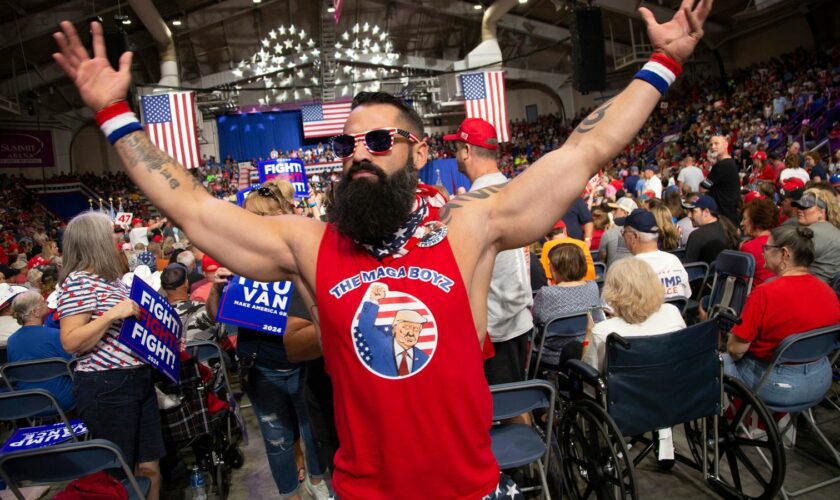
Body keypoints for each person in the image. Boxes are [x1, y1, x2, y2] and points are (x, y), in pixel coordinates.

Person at [51, 6, 712, 496]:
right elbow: (192, 206)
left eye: (376, 142)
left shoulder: (468, 227)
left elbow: (585, 149)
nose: (356, 157)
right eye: (346, 147)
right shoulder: (311, 245)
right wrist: (114, 114)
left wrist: (664, 64)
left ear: (418, 150)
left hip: (469, 488)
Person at [205, 180, 330, 500]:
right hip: (262, 365)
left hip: (305, 363)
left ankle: (317, 481)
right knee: (277, 439)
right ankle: (290, 494)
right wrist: (218, 287)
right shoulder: (237, 258)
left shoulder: (305, 253)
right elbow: (217, 315)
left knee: (313, 431)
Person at [55, 212, 164, 499]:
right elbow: (70, 341)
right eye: (113, 233)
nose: (120, 238)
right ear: (96, 240)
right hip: (107, 384)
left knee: (150, 463)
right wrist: (113, 314)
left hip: (137, 378)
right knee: (118, 474)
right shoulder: (78, 281)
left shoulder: (110, 280)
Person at [445, 118, 533, 387]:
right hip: (520, 319)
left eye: (457, 149)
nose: (455, 157)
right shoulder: (516, 190)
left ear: (467, 151)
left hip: (495, 328)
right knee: (519, 403)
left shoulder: (472, 204)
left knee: (506, 411)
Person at [581, 258, 686, 469]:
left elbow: (589, 376)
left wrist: (589, 333)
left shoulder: (605, 331)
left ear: (613, 292)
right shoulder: (673, 314)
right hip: (673, 390)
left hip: (627, 400)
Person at [725, 225, 840, 407]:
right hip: (820, 379)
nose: (762, 253)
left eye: (767, 248)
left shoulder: (765, 293)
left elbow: (736, 349)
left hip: (775, 384)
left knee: (714, 362)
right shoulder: (828, 291)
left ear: (784, 254)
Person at [532, 243, 600, 367]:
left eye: (550, 266)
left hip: (552, 356)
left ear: (557, 268)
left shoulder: (546, 293)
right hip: (586, 351)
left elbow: (534, 321)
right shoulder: (593, 287)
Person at [7, 291, 74, 412]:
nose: (47, 303)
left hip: (27, 402)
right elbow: (73, 365)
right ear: (35, 312)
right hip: (62, 398)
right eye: (43, 302)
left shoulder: (12, 340)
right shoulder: (55, 334)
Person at [617, 209, 690, 299]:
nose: (622, 236)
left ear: (634, 236)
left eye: (624, 232)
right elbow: (686, 296)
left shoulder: (624, 269)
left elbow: (609, 309)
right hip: (673, 312)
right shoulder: (674, 261)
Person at [160, 263, 221, 343]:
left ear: (162, 286)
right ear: (186, 283)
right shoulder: (206, 311)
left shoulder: (157, 316)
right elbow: (222, 332)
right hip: (204, 354)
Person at [792, 189, 840, 284]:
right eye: (798, 206)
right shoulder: (835, 231)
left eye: (805, 207)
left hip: (809, 288)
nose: (799, 210)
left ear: (821, 212)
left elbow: (786, 263)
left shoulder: (811, 232)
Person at [683, 195, 737, 264]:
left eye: (693, 211)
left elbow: (689, 267)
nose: (689, 215)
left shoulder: (697, 235)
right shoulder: (728, 228)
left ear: (706, 212)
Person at [703, 135, 741, 225]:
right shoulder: (726, 163)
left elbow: (703, 187)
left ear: (725, 145)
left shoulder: (723, 165)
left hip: (725, 215)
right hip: (726, 213)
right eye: (711, 144)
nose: (713, 147)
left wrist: (704, 182)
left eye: (716, 143)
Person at [739, 197, 778, 286]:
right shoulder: (782, 240)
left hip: (757, 294)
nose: (742, 223)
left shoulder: (749, 247)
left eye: (745, 219)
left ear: (755, 221)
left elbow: (743, 282)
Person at [600, 197, 637, 267]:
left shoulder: (609, 233)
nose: (612, 212)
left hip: (612, 275)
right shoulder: (640, 233)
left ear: (625, 213)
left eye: (615, 209)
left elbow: (602, 257)